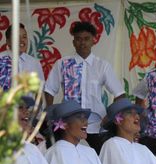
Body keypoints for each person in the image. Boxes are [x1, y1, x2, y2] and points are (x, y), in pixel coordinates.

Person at [44, 21, 125, 154]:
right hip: (68, 125)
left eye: (86, 39)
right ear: (73, 42)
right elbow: (49, 90)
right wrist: (50, 116)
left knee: (100, 162)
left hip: (96, 126)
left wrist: (109, 116)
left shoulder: (102, 65)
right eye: (78, 39)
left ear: (93, 40)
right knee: (67, 159)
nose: (82, 43)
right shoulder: (62, 64)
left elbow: (120, 94)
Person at [0, 23, 44, 92]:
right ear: (8, 41)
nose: (22, 40)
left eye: (24, 37)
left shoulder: (34, 63)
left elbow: (40, 91)